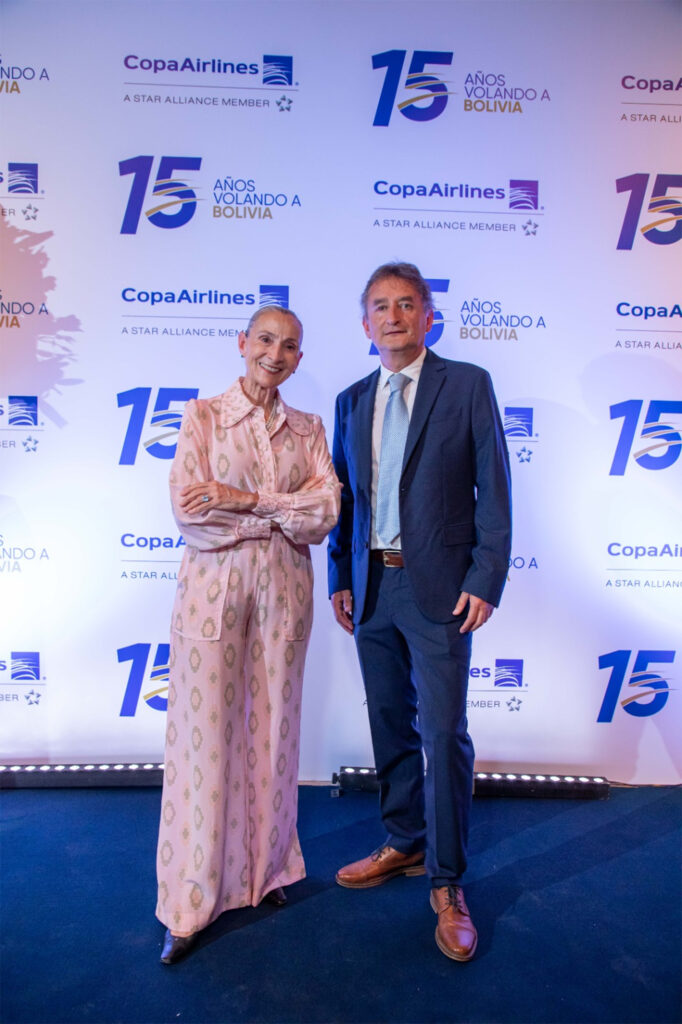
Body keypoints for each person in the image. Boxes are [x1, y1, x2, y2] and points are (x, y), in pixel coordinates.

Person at [327, 263, 511, 962]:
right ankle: (404, 841)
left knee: (442, 731)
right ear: (365, 323)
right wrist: (341, 577)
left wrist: (485, 578)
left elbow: (494, 487)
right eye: (380, 306)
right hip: (372, 586)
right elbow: (346, 498)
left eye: (407, 303)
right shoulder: (351, 400)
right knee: (388, 723)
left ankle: (447, 881)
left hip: (441, 590)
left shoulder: (467, 384)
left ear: (429, 316)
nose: (393, 316)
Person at [156, 305, 341, 964]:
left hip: (285, 599)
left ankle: (268, 872)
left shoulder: (308, 428)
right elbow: (192, 515)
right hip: (213, 597)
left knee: (275, 736)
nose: (274, 354)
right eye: (265, 339)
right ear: (242, 342)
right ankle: (190, 902)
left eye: (289, 346)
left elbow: (325, 513)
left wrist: (244, 500)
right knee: (204, 746)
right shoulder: (203, 416)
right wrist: (280, 514)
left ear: (299, 358)